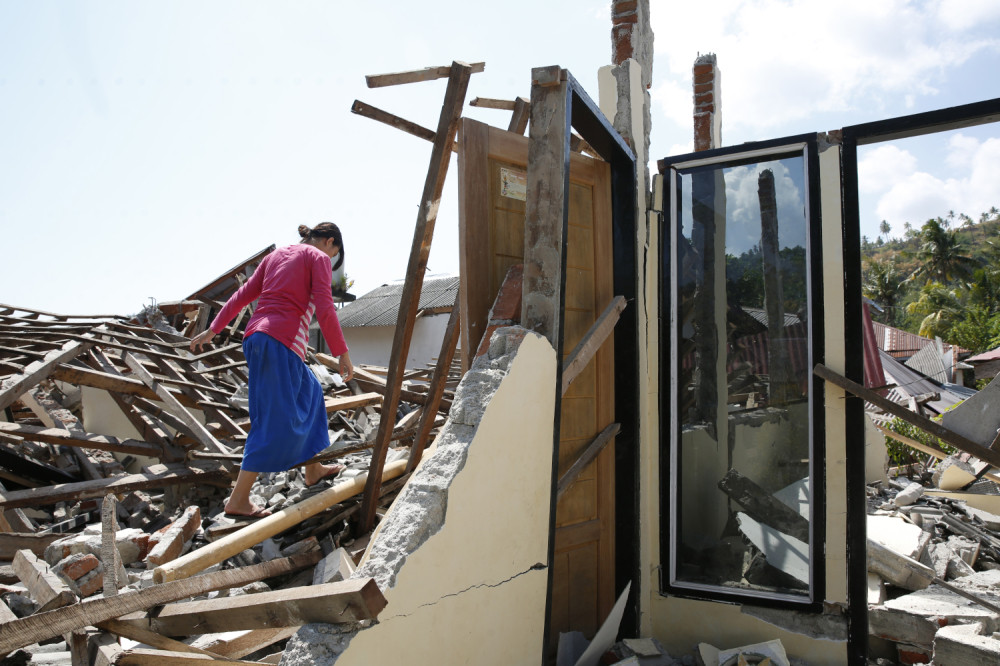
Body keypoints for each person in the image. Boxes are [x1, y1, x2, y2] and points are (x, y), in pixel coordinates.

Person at [190, 222, 354, 518]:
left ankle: (313, 469)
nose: (330, 260)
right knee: (269, 420)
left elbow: (242, 295)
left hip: (260, 339)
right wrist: (342, 353)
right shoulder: (317, 257)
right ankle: (239, 500)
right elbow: (325, 307)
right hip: (280, 341)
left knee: (312, 393)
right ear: (329, 242)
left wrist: (214, 329)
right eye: (334, 254)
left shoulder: (275, 256)